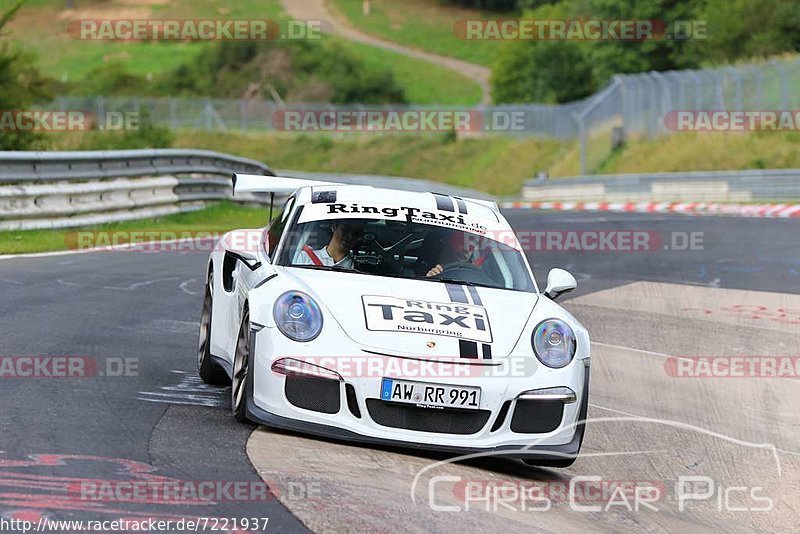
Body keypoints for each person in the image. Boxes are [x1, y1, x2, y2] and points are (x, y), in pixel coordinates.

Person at [294, 220, 364, 269]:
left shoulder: (359, 267)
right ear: (334, 227)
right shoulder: (303, 257)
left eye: (356, 234)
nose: (350, 236)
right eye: (346, 229)